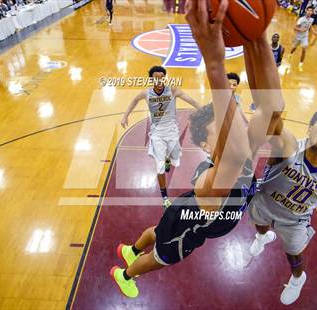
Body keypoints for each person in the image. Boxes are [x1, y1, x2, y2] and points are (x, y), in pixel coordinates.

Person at [110, 0, 284, 298]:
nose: (238, 127)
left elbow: (272, 110)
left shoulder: (238, 160)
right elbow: (232, 148)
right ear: (206, 144)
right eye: (223, 127)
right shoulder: (215, 182)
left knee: (158, 229)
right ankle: (125, 274)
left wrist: (258, 37)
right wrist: (214, 67)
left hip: (180, 212)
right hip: (186, 230)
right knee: (160, 257)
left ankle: (130, 249)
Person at [248, 104, 317, 305]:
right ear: (310, 128)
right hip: (264, 203)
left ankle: (298, 278)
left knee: (294, 254)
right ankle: (262, 237)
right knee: (260, 225)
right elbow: (273, 123)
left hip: (295, 221)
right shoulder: (287, 147)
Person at [121, 66, 201, 208]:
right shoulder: (146, 93)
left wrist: (204, 110)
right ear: (151, 79)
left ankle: (168, 158)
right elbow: (134, 100)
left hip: (172, 131)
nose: (159, 80)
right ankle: (165, 197)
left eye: (162, 77)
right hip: (157, 133)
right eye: (156, 77)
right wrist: (125, 116)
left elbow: (191, 100)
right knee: (160, 167)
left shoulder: (173, 90)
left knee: (173, 156)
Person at [288, 6, 317, 71]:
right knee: (294, 48)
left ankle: (301, 64)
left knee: (304, 50)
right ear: (306, 11)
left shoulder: (312, 20)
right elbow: (295, 28)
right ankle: (290, 53)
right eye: (308, 10)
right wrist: (300, 29)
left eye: (311, 11)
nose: (309, 12)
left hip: (305, 37)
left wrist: (313, 32)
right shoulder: (301, 19)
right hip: (298, 36)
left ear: (312, 12)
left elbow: (310, 26)